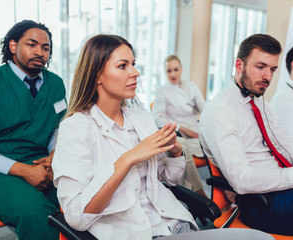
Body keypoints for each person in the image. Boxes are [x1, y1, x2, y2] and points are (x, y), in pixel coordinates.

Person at [51, 34, 275, 240]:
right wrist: (128, 159)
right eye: (123, 66)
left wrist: (175, 153)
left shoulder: (141, 119)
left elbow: (168, 180)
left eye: (134, 64)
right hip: (133, 233)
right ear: (97, 75)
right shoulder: (76, 128)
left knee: (260, 238)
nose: (135, 72)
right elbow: (76, 216)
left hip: (173, 224)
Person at [199, 33, 293, 236]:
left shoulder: (261, 103)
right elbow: (243, 180)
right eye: (260, 67)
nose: (267, 76)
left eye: (272, 69)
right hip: (262, 206)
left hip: (288, 191)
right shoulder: (220, 112)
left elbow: (289, 147)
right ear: (239, 65)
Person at [0, 20, 66, 240]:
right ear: (13, 46)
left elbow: (58, 127)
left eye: (46, 48)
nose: (40, 52)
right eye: (32, 44)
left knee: (83, 195)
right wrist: (23, 170)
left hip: (43, 164)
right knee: (35, 211)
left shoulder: (55, 84)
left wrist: (54, 155)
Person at [152, 55, 207, 197]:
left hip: (197, 133)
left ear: (181, 69)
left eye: (176, 69)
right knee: (184, 147)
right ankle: (200, 193)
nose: (173, 74)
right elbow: (157, 117)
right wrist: (181, 128)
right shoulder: (162, 91)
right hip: (181, 136)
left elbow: (205, 110)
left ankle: (227, 193)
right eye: (169, 71)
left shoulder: (191, 87)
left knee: (217, 146)